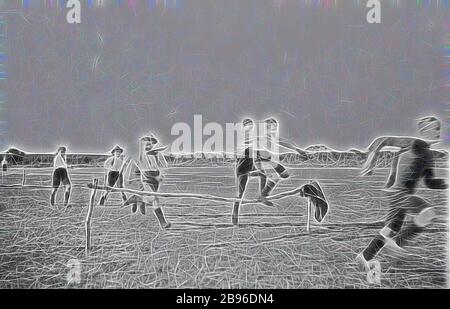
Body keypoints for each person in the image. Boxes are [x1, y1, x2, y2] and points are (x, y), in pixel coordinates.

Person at [357, 138, 448, 273]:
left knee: (392, 228)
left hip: (396, 192)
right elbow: (384, 140)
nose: (437, 135)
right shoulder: (412, 142)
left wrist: (446, 183)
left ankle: (364, 257)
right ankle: (396, 242)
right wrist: (371, 158)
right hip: (399, 192)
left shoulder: (428, 155)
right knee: (428, 213)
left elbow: (430, 182)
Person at [123, 134, 171, 229]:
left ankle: (137, 197)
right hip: (146, 178)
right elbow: (131, 164)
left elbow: (163, 166)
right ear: (142, 145)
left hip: (155, 179)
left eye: (151, 144)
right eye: (147, 144)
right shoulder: (140, 156)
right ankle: (163, 223)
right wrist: (127, 176)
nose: (149, 146)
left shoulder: (156, 154)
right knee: (154, 198)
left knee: (151, 198)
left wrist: (161, 174)